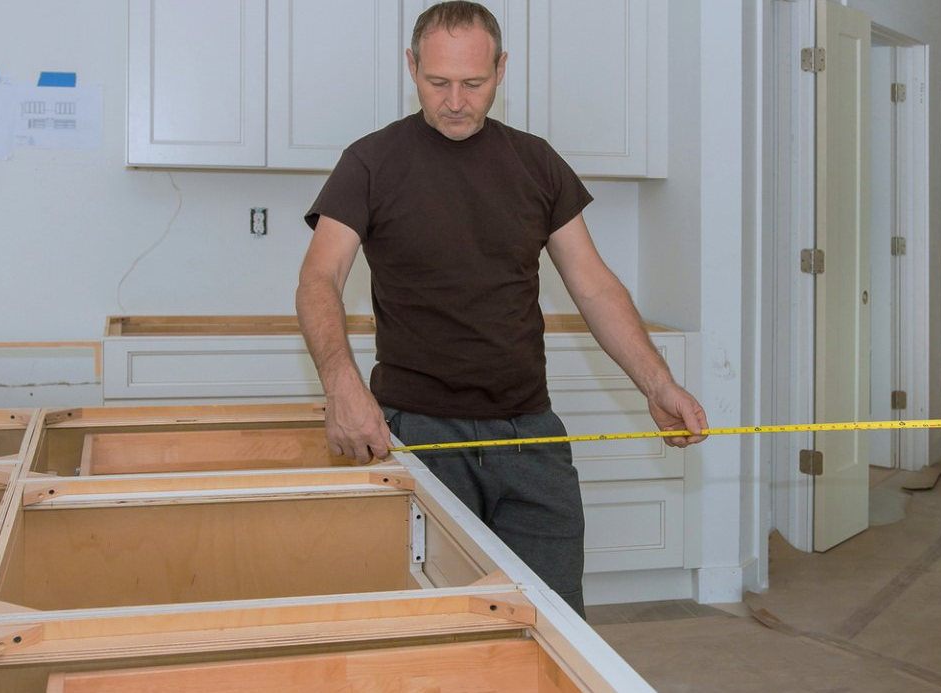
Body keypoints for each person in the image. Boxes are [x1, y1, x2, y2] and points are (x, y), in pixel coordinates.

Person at [297, 0, 706, 615]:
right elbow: (319, 277)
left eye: (473, 83)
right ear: (411, 67)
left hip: (530, 437)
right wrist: (341, 384)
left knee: (554, 623)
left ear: (502, 70)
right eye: (438, 82)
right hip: (416, 434)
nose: (455, 100)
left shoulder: (536, 163)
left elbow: (593, 285)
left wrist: (658, 382)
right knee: (433, 629)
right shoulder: (370, 162)